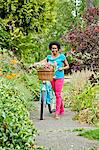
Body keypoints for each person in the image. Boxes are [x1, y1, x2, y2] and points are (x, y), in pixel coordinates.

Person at [42, 41, 69, 119]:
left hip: (59, 77)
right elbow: (42, 62)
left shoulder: (62, 57)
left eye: (55, 48)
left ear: (58, 49)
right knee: (57, 94)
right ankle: (62, 109)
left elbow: (67, 66)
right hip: (51, 77)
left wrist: (62, 68)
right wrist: (36, 64)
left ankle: (57, 113)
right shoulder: (49, 57)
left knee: (57, 94)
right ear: (50, 49)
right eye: (52, 48)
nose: (54, 50)